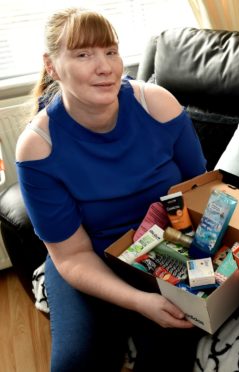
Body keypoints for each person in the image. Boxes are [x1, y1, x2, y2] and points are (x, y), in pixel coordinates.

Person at [15, 8, 207, 372]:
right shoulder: (39, 147)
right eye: (83, 54)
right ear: (52, 66)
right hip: (89, 260)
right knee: (76, 363)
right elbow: (71, 256)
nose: (104, 66)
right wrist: (137, 302)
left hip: (164, 248)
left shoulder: (158, 105)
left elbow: (199, 192)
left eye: (110, 51)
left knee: (169, 346)